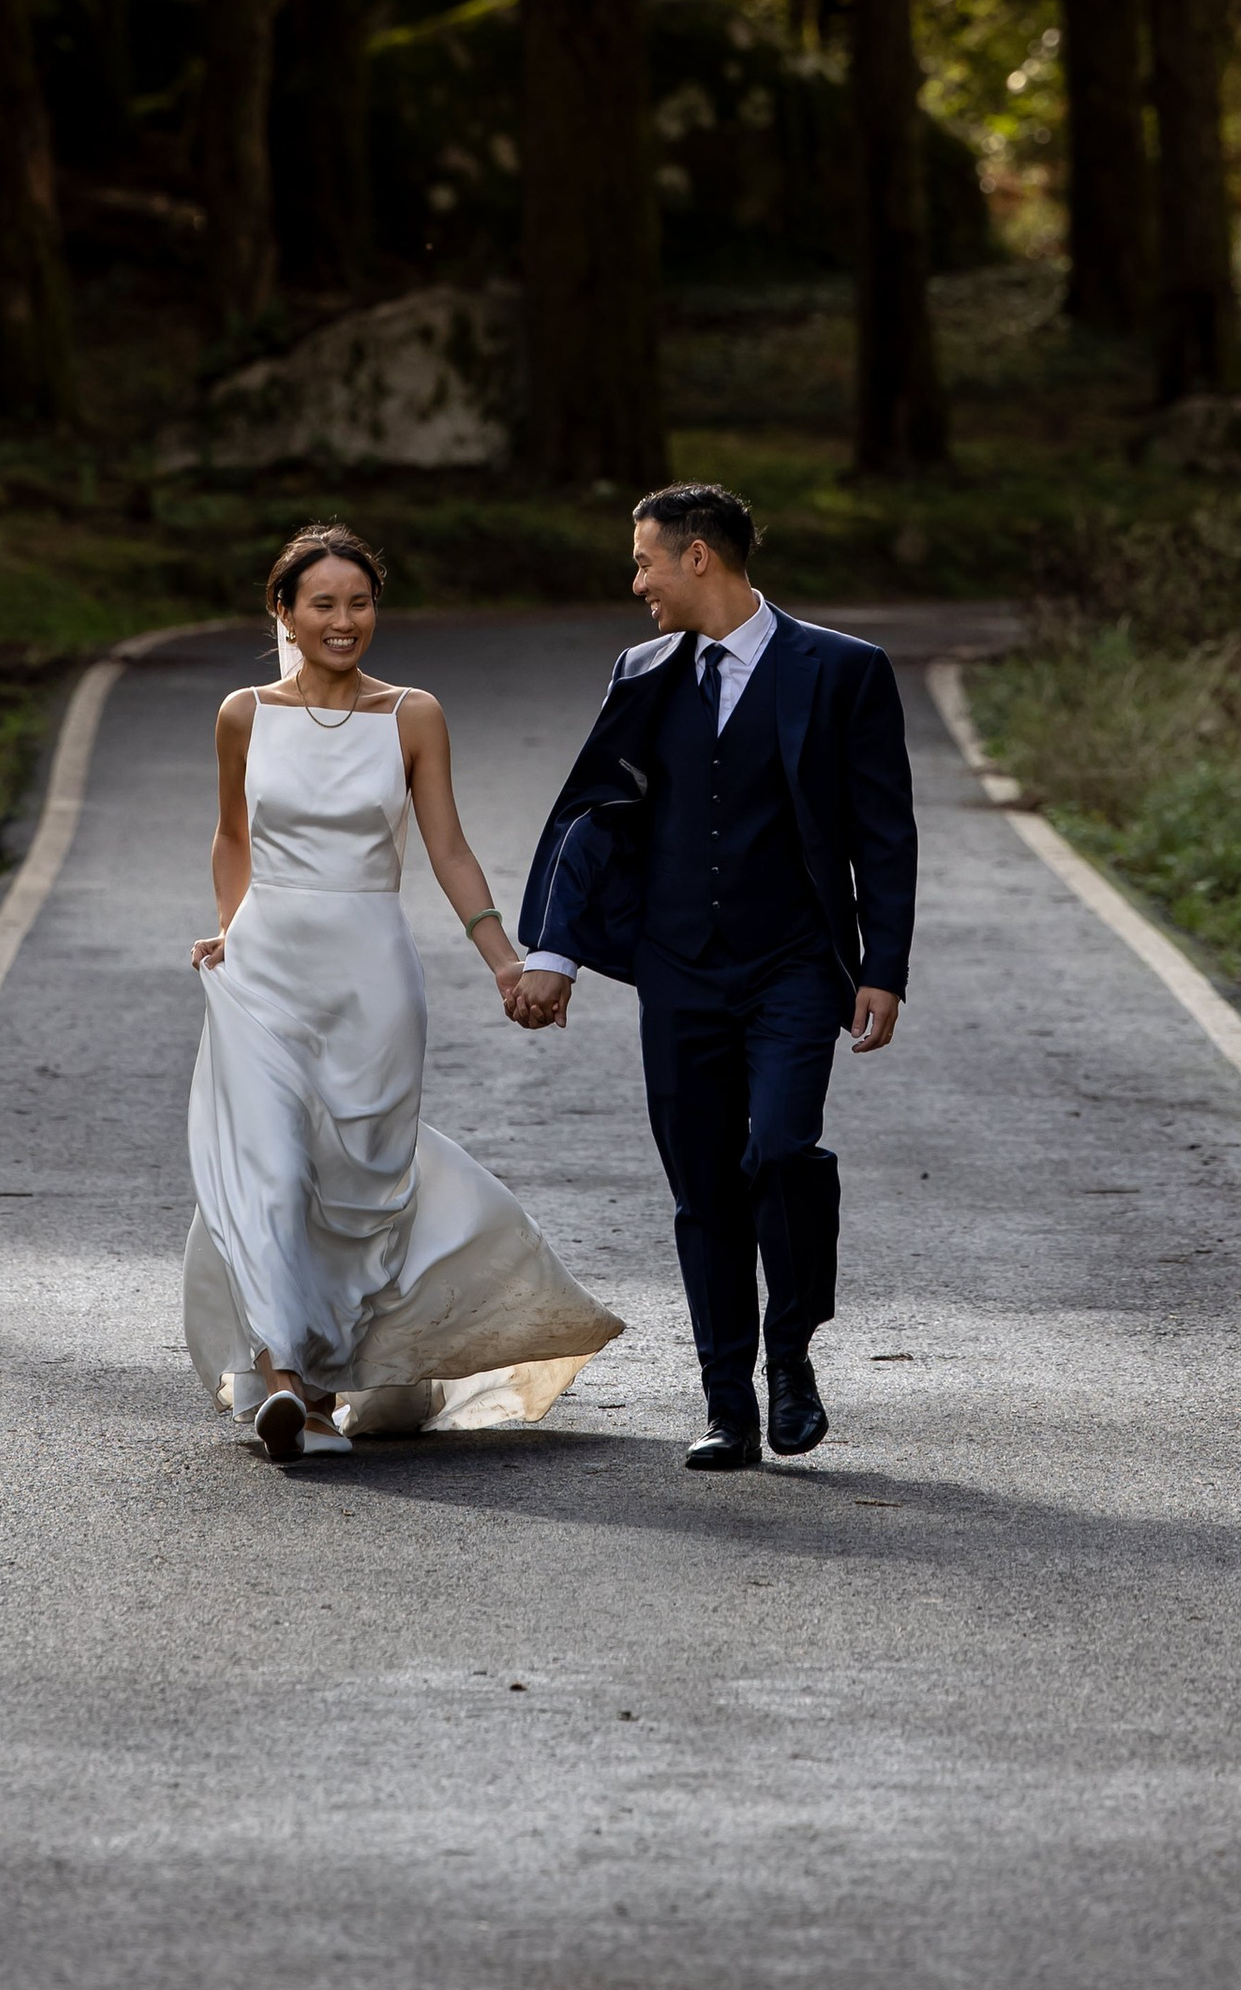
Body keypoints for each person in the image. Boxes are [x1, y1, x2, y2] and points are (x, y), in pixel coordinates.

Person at [183, 522, 622, 1464]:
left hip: (372, 974)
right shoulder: (243, 713)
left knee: (360, 1185)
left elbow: (449, 848)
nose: (345, 621)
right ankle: (287, 1387)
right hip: (263, 971)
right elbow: (231, 834)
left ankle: (335, 1370)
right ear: (284, 613)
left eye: (360, 602)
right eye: (323, 604)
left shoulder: (412, 714)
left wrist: (504, 958)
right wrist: (231, 923)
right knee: (270, 1170)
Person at [510, 484, 917, 1473]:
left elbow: (883, 831)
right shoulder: (642, 671)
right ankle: (728, 1404)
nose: (636, 581)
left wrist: (883, 969)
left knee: (779, 1152)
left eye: (646, 560)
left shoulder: (843, 670)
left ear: (699, 558)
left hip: (794, 969)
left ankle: (791, 1349)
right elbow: (596, 814)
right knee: (701, 1190)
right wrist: (553, 950)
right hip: (678, 970)